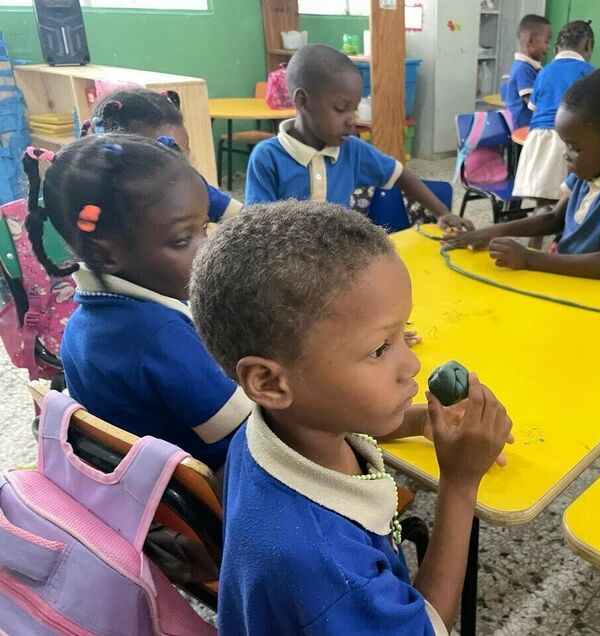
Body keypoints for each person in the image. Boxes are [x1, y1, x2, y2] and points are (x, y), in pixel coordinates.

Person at [189, 201, 513, 635]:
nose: (412, 365)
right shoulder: (323, 565)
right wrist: (459, 482)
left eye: (404, 333)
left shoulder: (269, 430)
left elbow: (334, 421)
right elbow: (427, 629)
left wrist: (418, 422)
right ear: (268, 381)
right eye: (380, 349)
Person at [22, 135, 251, 470]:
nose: (208, 248)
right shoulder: (160, 335)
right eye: (183, 239)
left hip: (141, 480)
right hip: (220, 477)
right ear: (105, 254)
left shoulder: (82, 321)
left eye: (204, 226)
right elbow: (247, 425)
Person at [448, 67, 600, 281]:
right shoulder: (596, 163)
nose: (565, 154)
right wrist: (491, 232)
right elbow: (555, 218)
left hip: (599, 291)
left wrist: (528, 258)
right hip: (568, 277)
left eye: (574, 147)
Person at [245, 44, 471, 233]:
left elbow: (399, 174)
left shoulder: (352, 150)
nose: (352, 120)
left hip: (340, 260)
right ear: (303, 101)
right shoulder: (267, 158)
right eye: (341, 109)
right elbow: (256, 229)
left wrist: (443, 213)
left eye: (354, 109)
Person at [81, 88, 242, 222]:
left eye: (183, 157)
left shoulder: (187, 186)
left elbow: (245, 219)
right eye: (167, 159)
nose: (181, 171)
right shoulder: (105, 216)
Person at [511, 20, 594, 248]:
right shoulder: (588, 73)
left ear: (557, 47)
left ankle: (533, 249)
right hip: (568, 142)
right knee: (569, 201)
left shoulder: (544, 72)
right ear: (588, 47)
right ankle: (564, 251)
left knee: (542, 204)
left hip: (537, 139)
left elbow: (534, 107)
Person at [504, 14, 552, 129]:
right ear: (530, 41)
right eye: (546, 41)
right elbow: (532, 103)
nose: (548, 47)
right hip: (523, 128)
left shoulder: (532, 67)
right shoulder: (523, 69)